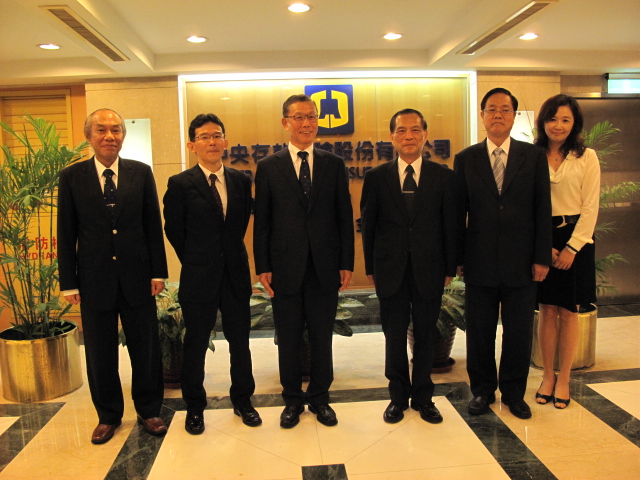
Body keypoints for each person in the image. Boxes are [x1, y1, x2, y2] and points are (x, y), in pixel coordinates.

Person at [57, 108, 168, 444]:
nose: (110, 136)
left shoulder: (141, 172)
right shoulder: (72, 177)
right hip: (93, 280)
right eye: (102, 130)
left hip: (137, 277)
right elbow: (66, 232)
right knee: (100, 353)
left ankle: (149, 410)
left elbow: (153, 226)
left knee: (145, 348)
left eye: (116, 130)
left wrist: (158, 272)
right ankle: (108, 416)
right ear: (88, 136)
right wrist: (68, 282)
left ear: (123, 135)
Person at [253, 94, 354, 428]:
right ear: (286, 122)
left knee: (323, 337)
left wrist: (346, 261)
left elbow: (344, 216)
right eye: (299, 117)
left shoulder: (333, 164)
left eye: (311, 117)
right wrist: (263, 265)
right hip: (285, 268)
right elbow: (263, 221)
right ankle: (292, 400)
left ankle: (321, 399)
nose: (306, 123)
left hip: (324, 267)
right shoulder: (268, 167)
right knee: (290, 337)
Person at [454, 88, 552, 420]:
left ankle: (513, 393)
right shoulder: (466, 158)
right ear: (482, 115)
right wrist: (458, 258)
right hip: (478, 260)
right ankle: (482, 391)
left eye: (505, 109)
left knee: (519, 331)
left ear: (514, 116)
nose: (498, 115)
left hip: (522, 262)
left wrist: (541, 257)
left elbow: (543, 208)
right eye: (492, 109)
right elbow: (458, 213)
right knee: (479, 330)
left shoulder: (533, 156)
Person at [360, 109, 460, 424]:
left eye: (415, 130)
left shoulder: (443, 176)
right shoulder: (376, 177)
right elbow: (370, 226)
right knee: (393, 335)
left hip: (430, 269)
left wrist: (449, 266)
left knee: (427, 334)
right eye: (401, 130)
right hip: (390, 270)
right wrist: (372, 267)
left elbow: (450, 226)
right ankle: (397, 398)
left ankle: (424, 397)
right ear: (392, 136)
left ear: (425, 135)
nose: (408, 136)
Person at [163, 113, 260, 434]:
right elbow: (174, 231)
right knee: (195, 344)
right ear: (192, 145)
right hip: (198, 277)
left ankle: (243, 401)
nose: (212, 141)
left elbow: (240, 224)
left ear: (226, 141)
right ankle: (194, 407)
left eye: (217, 135)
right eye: (204, 137)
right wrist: (197, 259)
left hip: (235, 275)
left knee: (240, 342)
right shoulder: (180, 184)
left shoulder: (242, 181)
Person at [534, 95, 600, 409]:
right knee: (547, 309)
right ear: (542, 121)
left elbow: (591, 207)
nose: (558, 126)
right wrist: (541, 244)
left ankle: (565, 379)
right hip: (542, 238)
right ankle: (547, 375)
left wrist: (572, 247)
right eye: (552, 119)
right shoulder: (531, 155)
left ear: (574, 124)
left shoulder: (587, 157)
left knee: (569, 311)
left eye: (565, 120)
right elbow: (527, 205)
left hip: (577, 239)